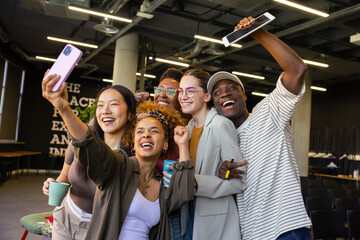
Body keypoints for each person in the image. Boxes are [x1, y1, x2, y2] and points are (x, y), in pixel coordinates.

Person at [42, 73, 194, 240]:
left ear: (165, 143)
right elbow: (90, 145)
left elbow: (183, 193)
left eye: (154, 131)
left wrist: (183, 145)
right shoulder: (120, 165)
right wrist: (63, 108)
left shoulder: (160, 187)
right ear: (132, 140)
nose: (146, 135)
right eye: (140, 131)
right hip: (70, 218)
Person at [209, 17, 312, 240]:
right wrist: (222, 174)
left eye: (231, 89)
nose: (224, 94)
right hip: (251, 234)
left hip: (284, 228)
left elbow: (296, 70)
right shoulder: (221, 140)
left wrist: (257, 32)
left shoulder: (268, 112)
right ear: (214, 105)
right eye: (217, 93)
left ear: (244, 95)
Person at [42, 85, 137, 239]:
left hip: (98, 229)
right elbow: (64, 177)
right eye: (100, 105)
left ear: (130, 112)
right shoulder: (76, 145)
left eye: (113, 104)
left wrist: (64, 109)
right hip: (65, 217)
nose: (105, 110)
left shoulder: (131, 158)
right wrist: (53, 184)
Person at [178, 68, 247, 240]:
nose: (183, 96)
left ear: (207, 96)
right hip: (188, 213)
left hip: (216, 220)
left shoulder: (221, 125)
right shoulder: (187, 129)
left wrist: (195, 183)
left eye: (190, 91)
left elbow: (239, 182)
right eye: (180, 91)